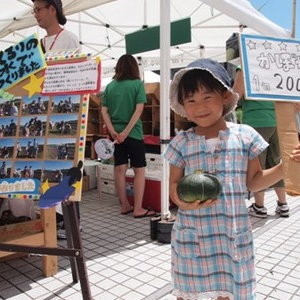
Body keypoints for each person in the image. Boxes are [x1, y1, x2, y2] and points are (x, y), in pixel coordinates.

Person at [163, 58, 284, 300]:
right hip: (193, 237)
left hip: (232, 236)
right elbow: (173, 185)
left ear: (225, 96)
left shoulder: (245, 135)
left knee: (229, 293)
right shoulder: (182, 141)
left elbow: (255, 181)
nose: (200, 107)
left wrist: (284, 168)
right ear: (184, 106)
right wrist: (181, 202)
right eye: (191, 101)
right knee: (188, 294)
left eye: (208, 97)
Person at [32, 0, 81, 239]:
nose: (36, 15)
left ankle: (72, 224)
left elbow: (75, 76)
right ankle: (55, 221)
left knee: (66, 168)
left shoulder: (68, 38)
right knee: (48, 169)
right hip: (43, 116)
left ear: (53, 9)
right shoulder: (38, 44)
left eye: (39, 9)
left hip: (64, 113)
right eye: (33, 10)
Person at [101, 54, 156, 218]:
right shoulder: (137, 84)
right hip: (133, 133)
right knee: (139, 170)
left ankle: (124, 204)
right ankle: (138, 208)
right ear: (134, 67)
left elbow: (104, 111)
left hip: (115, 136)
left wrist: (113, 132)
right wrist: (126, 132)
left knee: (119, 169)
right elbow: (138, 110)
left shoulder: (110, 86)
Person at [233, 66, 289, 218]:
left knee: (257, 167)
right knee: (275, 162)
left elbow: (236, 94)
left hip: (256, 122)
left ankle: (259, 206)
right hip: (277, 120)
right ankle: (283, 204)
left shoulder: (245, 65)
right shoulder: (274, 63)